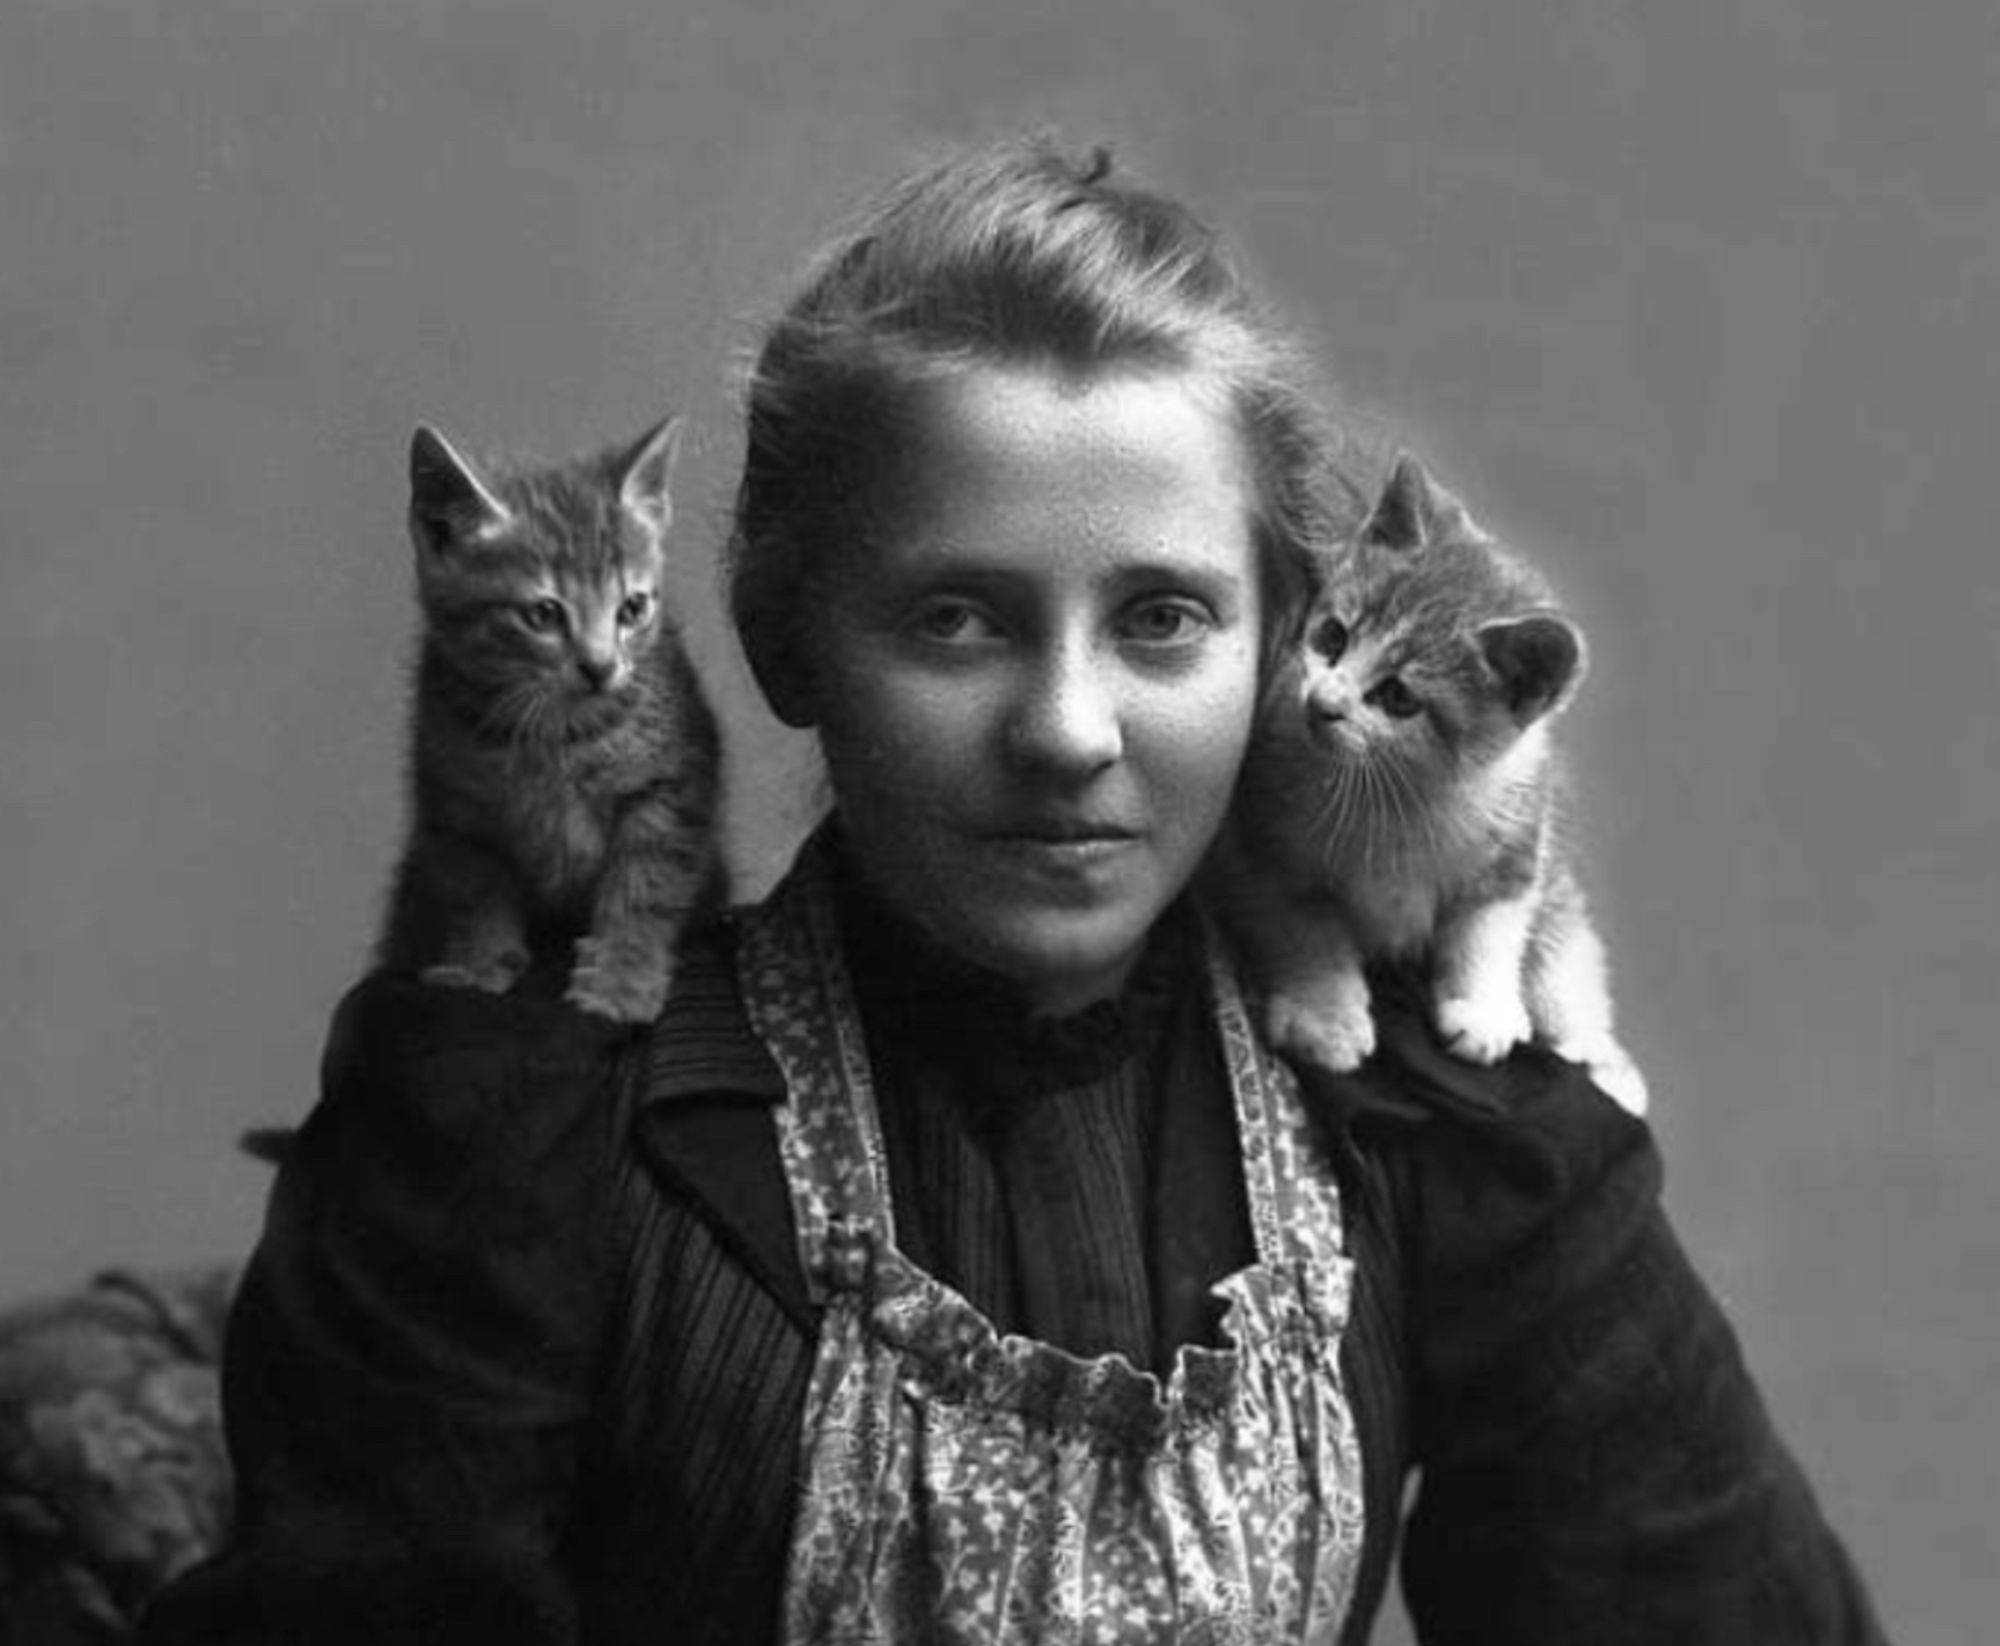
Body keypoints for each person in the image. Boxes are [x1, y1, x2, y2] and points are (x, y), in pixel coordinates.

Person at [143, 137, 1887, 1645]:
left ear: (1288, 643)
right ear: (784, 639)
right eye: (956, 619)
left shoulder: (1447, 1133)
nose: (1067, 732)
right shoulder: (521, 1128)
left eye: (1162, 620)